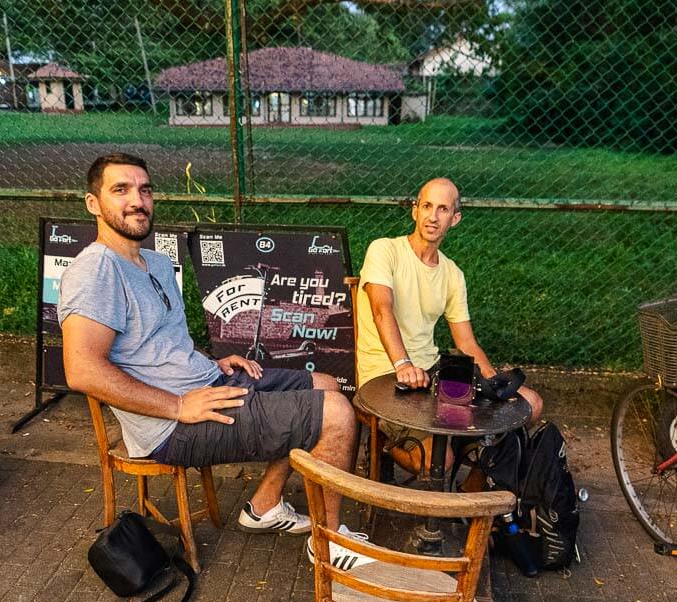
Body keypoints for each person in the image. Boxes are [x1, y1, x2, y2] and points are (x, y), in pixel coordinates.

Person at [59, 152, 363, 546]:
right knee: (336, 415)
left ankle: (264, 506)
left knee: (325, 385)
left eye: (144, 189)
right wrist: (178, 407)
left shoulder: (155, 262)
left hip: (209, 382)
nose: (137, 200)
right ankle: (332, 544)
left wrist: (209, 360)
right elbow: (81, 370)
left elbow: (158, 343)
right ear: (93, 203)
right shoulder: (96, 269)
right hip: (171, 426)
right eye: (121, 190)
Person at [356, 177, 543, 472]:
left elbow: (465, 342)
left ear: (455, 219)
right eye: (427, 206)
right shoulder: (384, 250)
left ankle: (475, 491)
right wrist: (403, 364)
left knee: (529, 404)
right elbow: (382, 310)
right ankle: (387, 449)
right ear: (414, 210)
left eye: (443, 209)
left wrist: (493, 381)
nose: (433, 216)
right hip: (386, 379)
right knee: (437, 461)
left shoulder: (452, 273)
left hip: (433, 376)